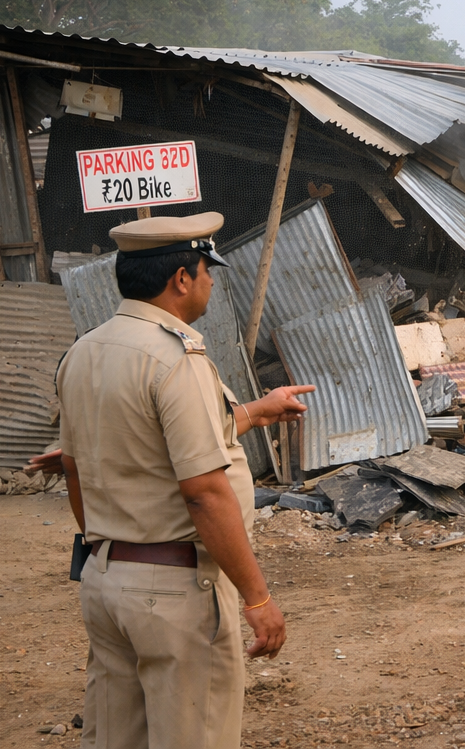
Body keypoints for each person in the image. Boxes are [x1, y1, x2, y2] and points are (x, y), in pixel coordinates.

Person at [57, 212, 315, 749]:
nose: (212, 282)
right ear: (181, 279)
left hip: (106, 582)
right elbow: (202, 489)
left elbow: (81, 464)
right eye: (207, 270)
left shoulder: (84, 352)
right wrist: (257, 598)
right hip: (172, 594)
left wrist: (257, 411)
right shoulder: (175, 357)